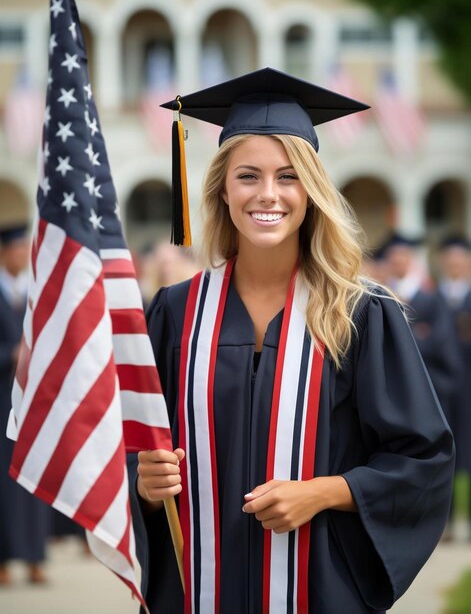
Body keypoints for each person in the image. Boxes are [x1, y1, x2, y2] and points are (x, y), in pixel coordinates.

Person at [128, 68, 455, 614]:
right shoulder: (174, 312)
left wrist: (322, 492)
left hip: (317, 590)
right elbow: (129, 444)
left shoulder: (361, 314)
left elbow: (423, 460)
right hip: (196, 591)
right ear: (223, 190)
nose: (268, 194)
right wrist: (144, 480)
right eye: (248, 176)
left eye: (288, 176)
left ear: (312, 190)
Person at [0, 224, 50, 585]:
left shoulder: (32, 293)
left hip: (31, 404)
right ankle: (3, 560)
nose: (23, 254)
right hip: (2, 398)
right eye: (18, 249)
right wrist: (9, 354)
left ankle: (34, 557)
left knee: (33, 478)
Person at [383, 233, 461, 428]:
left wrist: (403, 341)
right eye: (393, 256)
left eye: (402, 255)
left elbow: (441, 340)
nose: (398, 260)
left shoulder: (431, 297)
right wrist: (417, 333)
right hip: (393, 384)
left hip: (430, 380)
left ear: (410, 258)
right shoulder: (381, 296)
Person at [438, 235, 471, 538]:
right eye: (450, 259)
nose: (455, 263)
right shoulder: (435, 297)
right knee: (445, 453)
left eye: (460, 259)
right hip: (444, 390)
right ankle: (445, 524)